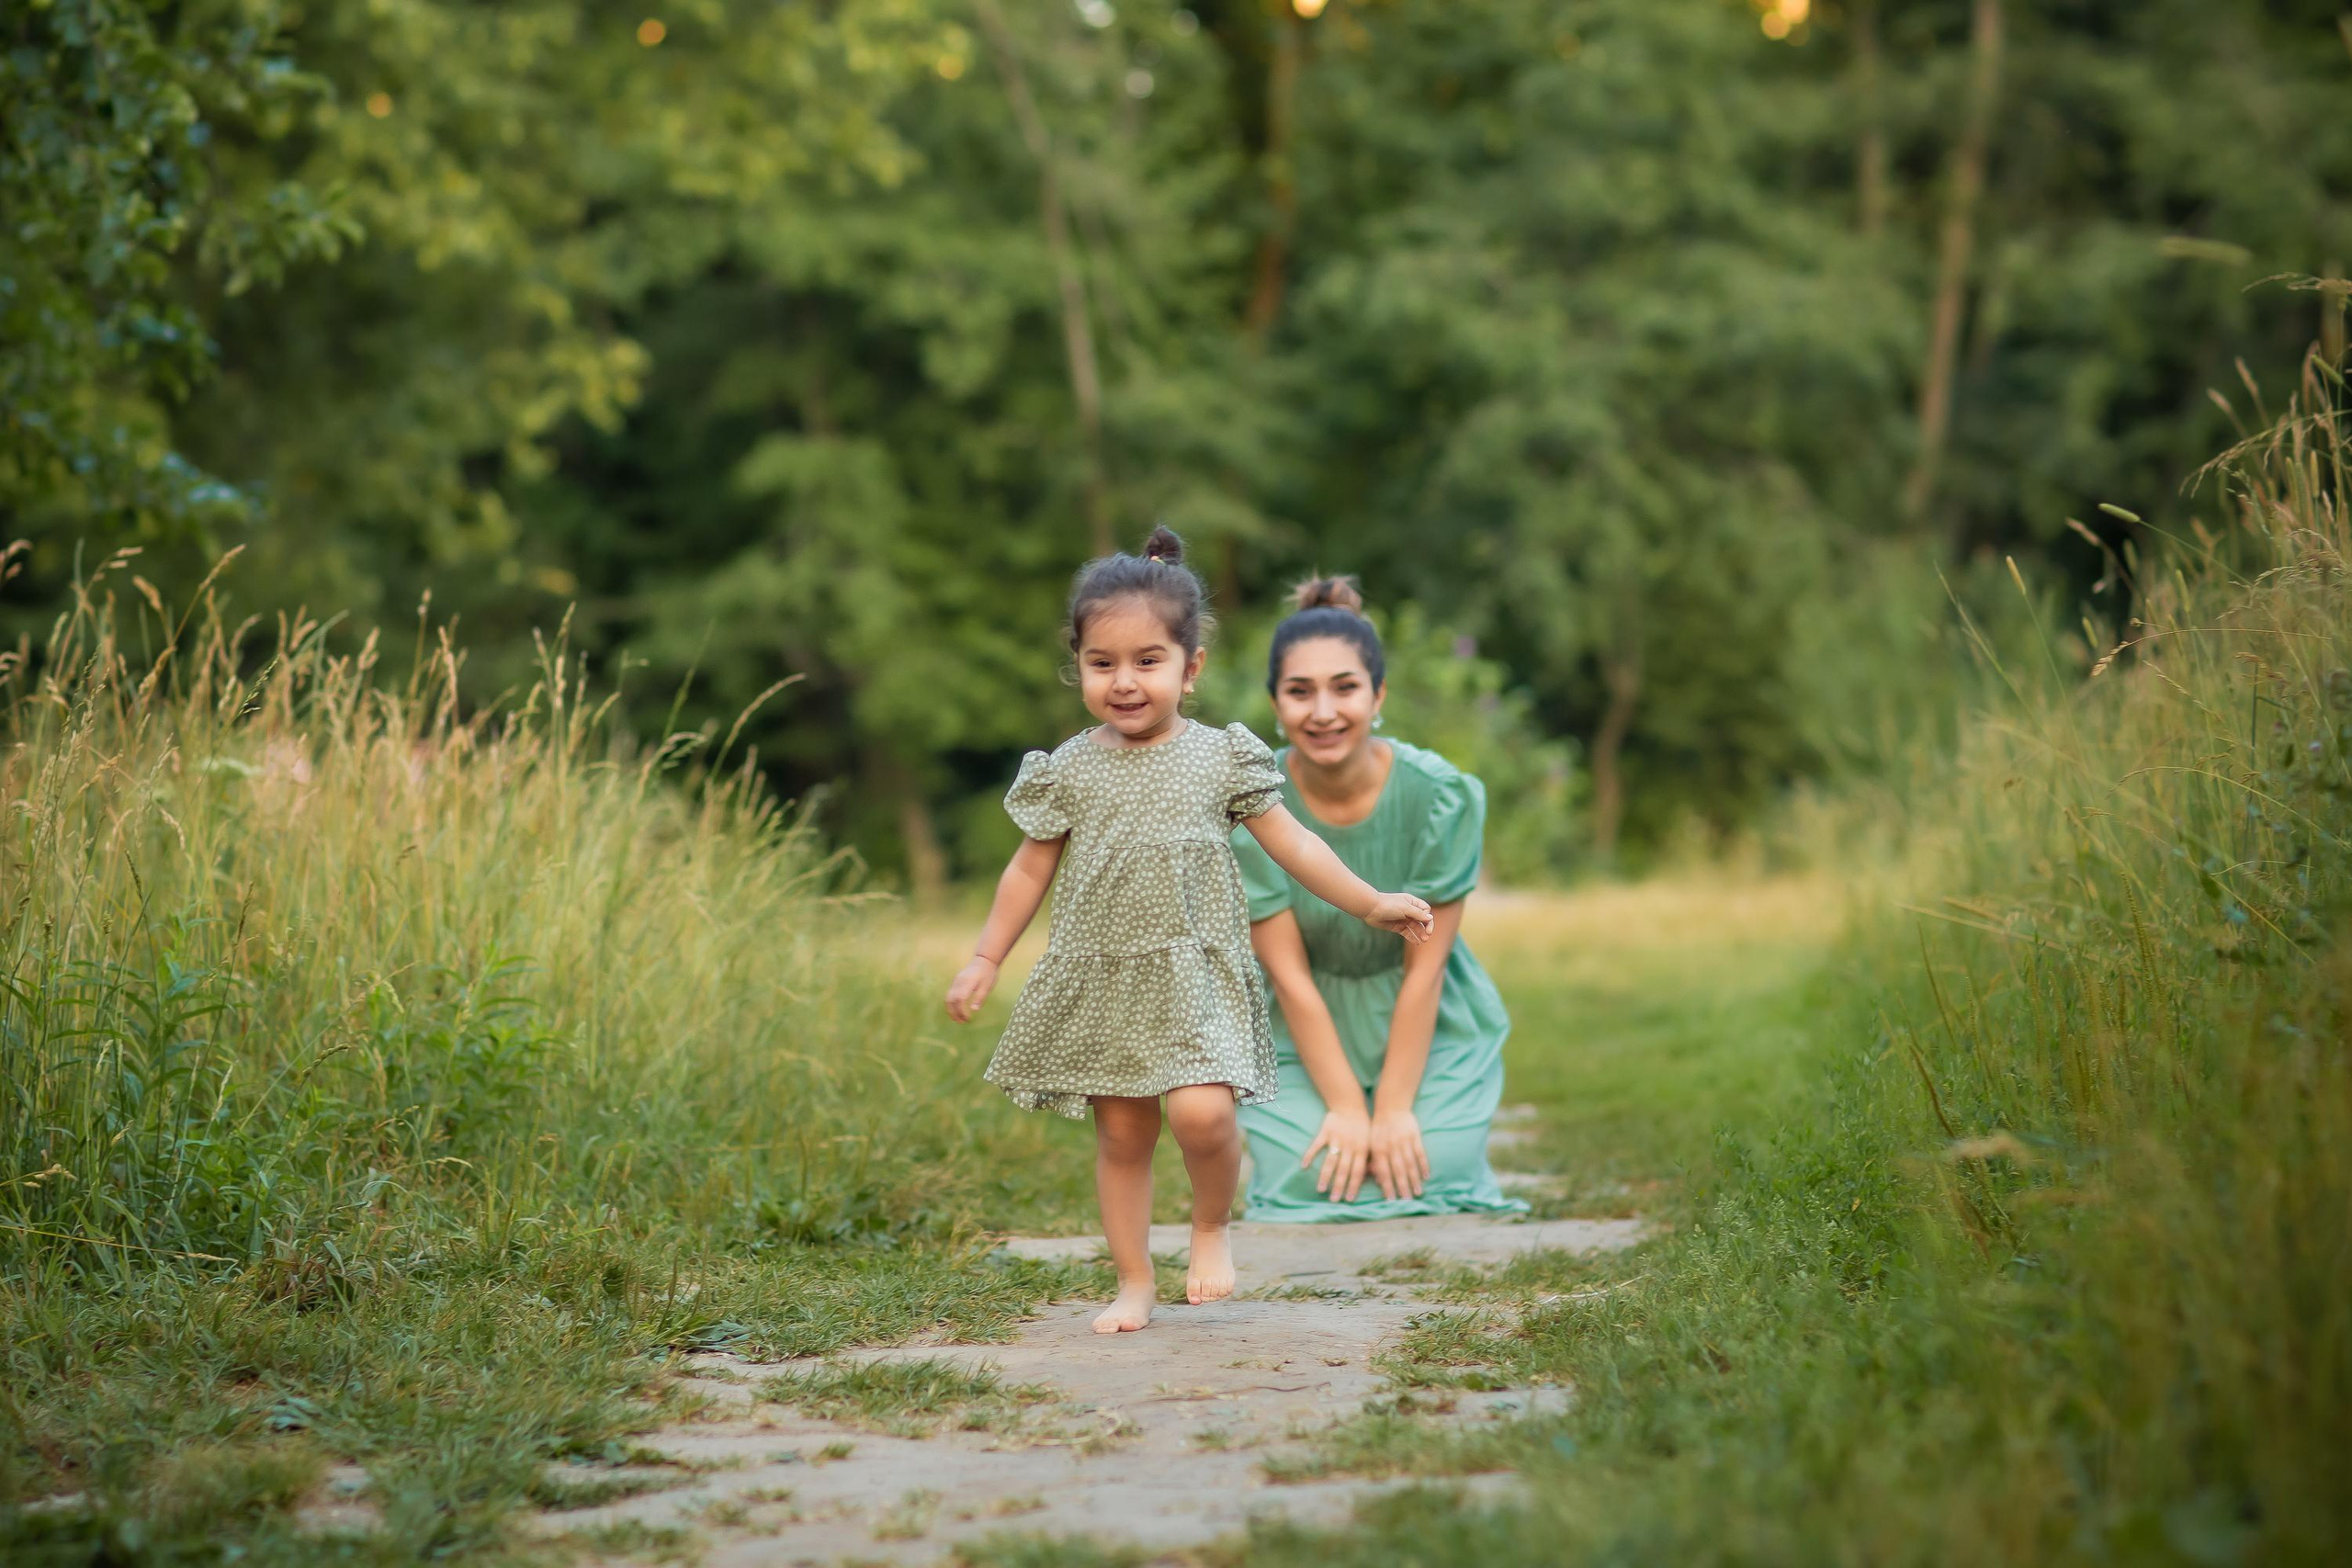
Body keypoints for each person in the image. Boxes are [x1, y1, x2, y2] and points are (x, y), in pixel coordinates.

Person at [943, 528, 1435, 1334]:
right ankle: (1135, 1279)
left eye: (1148, 661)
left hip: (1194, 972)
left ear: (1191, 666)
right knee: (1125, 1132)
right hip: (1105, 974)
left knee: (1202, 1115)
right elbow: (1028, 869)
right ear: (1079, 665)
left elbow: (1297, 843)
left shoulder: (1221, 757)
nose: (1125, 682)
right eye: (1103, 664)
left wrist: (1370, 901)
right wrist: (985, 956)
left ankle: (1210, 1225)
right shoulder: (1067, 766)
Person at [1230, 576, 1529, 1222]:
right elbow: (1290, 975)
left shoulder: (1444, 795)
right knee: (1303, 1181)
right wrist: (1344, 1105)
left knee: (1435, 1170)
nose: (1323, 712)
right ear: (1276, 704)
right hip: (1297, 1023)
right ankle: (1335, 1118)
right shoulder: (1250, 803)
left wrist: (1391, 1109)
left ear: (1379, 694)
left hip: (1424, 1012)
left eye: (1345, 687)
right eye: (1299, 691)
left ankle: (1412, 1119)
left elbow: (1426, 970)